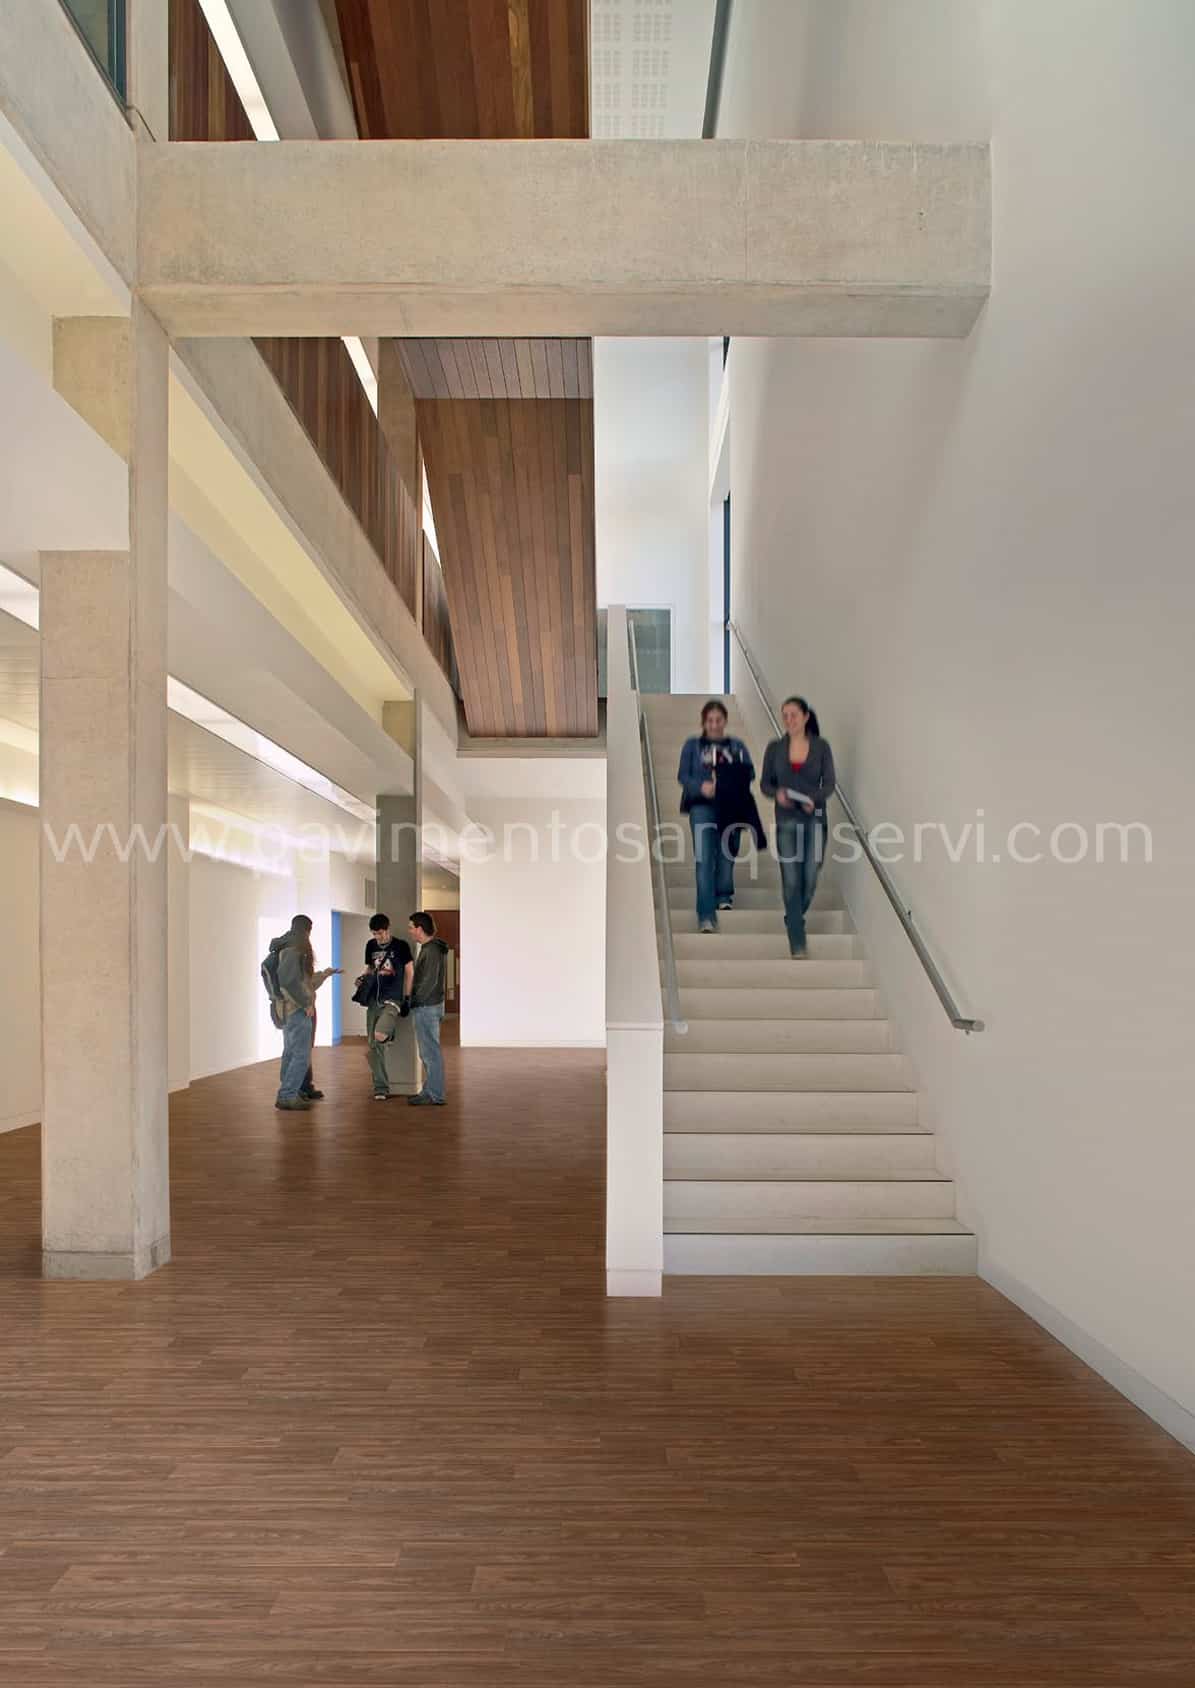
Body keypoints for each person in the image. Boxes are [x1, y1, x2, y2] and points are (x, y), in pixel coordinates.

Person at [760, 697, 836, 958]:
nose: (789, 720)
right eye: (785, 715)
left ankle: (793, 915)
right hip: (786, 819)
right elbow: (765, 784)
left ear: (805, 717)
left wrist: (813, 798)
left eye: (793, 714)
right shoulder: (775, 748)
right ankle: (797, 938)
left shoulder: (821, 747)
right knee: (791, 879)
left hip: (814, 818)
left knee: (811, 875)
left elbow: (830, 784)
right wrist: (777, 793)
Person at [676, 700, 756, 933]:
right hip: (701, 807)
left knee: (727, 852)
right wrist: (701, 787)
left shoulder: (737, 745)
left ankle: (723, 895)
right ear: (703, 722)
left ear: (725, 721)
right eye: (710, 720)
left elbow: (749, 772)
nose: (714, 724)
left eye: (718, 720)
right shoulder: (692, 745)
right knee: (704, 858)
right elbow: (683, 776)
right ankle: (706, 915)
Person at [270, 916, 341, 1111]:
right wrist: (305, 1003)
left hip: (286, 1010)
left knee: (290, 1053)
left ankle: (290, 1090)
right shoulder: (294, 949)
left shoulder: (286, 946)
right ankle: (287, 1095)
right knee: (301, 1055)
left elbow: (303, 982)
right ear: (307, 930)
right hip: (296, 1011)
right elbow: (289, 983)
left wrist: (325, 974)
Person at [360, 913, 414, 1102]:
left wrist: (407, 997)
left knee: (379, 1035)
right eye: (375, 934)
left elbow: (410, 972)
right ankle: (380, 1087)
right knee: (374, 1045)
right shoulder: (370, 945)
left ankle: (388, 1034)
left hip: (393, 999)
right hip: (374, 1000)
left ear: (388, 929)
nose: (378, 937)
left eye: (381, 933)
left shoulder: (401, 946)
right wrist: (362, 979)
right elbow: (369, 968)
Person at [406, 912, 449, 1107]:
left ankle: (435, 1094)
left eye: (411, 927)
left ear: (420, 929)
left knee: (430, 1053)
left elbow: (429, 982)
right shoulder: (431, 948)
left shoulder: (431, 951)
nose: (409, 931)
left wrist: (413, 1001)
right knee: (428, 1052)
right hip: (430, 1006)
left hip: (426, 1007)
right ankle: (430, 1090)